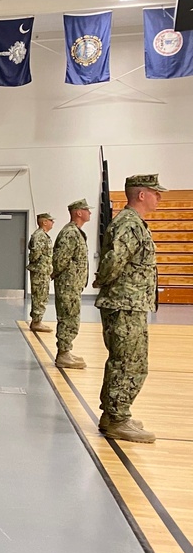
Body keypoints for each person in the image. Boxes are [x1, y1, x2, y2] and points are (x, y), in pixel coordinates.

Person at [93, 175, 166, 443]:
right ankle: (117, 419)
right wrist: (102, 279)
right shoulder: (129, 224)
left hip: (130, 304)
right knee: (127, 362)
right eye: (155, 193)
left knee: (130, 360)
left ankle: (114, 415)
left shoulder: (134, 223)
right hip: (123, 303)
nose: (159, 198)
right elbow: (114, 260)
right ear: (142, 195)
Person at [52, 199, 91, 369]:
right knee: (68, 317)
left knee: (72, 317)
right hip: (68, 284)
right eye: (86, 210)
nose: (89, 213)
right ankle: (63, 354)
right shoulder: (70, 233)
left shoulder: (76, 232)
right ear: (78, 212)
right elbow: (60, 259)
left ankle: (66, 350)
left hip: (73, 283)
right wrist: (61, 276)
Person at [27, 213, 55, 332]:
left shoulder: (43, 235)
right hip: (40, 270)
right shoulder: (39, 236)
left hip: (43, 270)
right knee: (39, 295)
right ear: (44, 222)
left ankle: (37, 320)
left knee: (42, 295)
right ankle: (36, 322)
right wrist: (39, 265)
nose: (52, 223)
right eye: (50, 221)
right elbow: (35, 254)